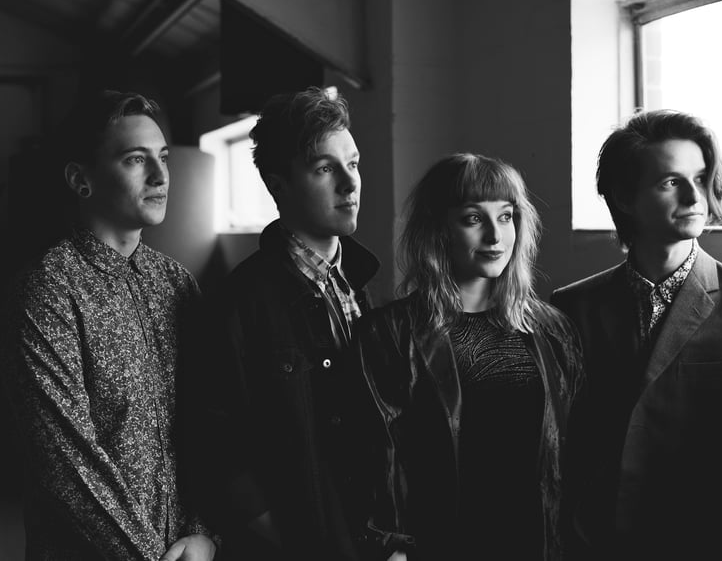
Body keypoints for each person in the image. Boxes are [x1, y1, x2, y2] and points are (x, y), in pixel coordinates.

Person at [551, 109, 722, 560]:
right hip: (598, 541)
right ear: (625, 197)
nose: (694, 196)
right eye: (670, 182)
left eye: (701, 178)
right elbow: (564, 443)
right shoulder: (571, 308)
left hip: (709, 540)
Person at [2, 90, 216, 560]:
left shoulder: (178, 284)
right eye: (136, 159)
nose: (160, 175)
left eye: (163, 158)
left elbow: (208, 425)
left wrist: (204, 532)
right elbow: (64, 461)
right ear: (82, 180)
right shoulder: (48, 289)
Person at [353, 153, 585, 560]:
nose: (495, 236)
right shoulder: (389, 333)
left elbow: (575, 456)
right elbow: (376, 458)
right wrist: (391, 547)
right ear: (438, 229)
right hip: (439, 547)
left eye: (506, 216)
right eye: (474, 218)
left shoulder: (554, 330)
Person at [190, 87, 380, 560]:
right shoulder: (237, 303)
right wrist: (293, 537)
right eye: (324, 169)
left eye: (353, 163)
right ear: (279, 187)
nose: (350, 184)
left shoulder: (362, 287)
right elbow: (217, 447)